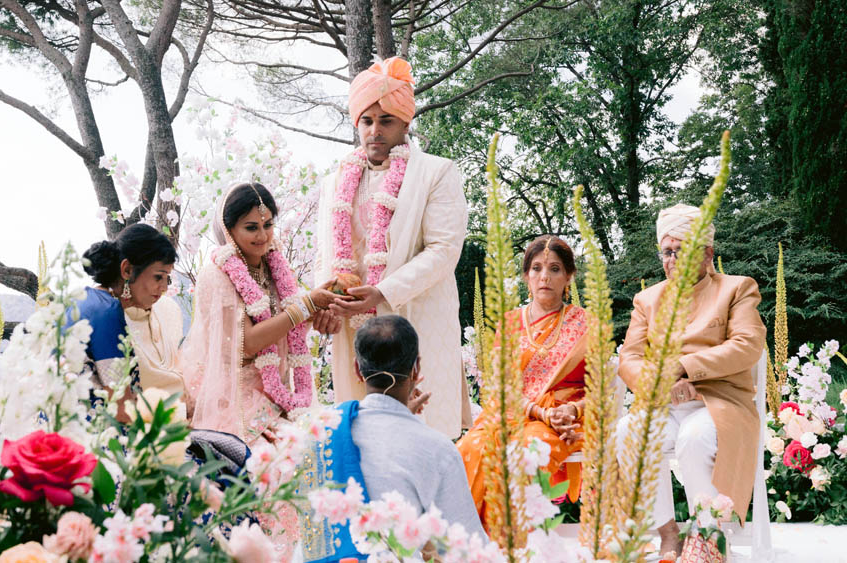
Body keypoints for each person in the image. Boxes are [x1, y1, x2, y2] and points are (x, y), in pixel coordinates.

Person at [315, 56, 470, 438]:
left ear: (405, 123)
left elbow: (443, 250)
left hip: (414, 316)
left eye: (386, 121)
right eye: (366, 121)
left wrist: (382, 291)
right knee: (362, 436)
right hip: (353, 325)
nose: (375, 131)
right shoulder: (335, 182)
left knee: (422, 434)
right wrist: (327, 303)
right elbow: (326, 252)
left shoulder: (436, 172)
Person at [615, 203, 765, 558]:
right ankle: (668, 533)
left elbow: (747, 345)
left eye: (682, 250)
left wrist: (683, 367)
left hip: (719, 402)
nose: (672, 260)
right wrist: (663, 385)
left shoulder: (737, 288)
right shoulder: (647, 299)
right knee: (628, 432)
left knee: (693, 439)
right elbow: (630, 360)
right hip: (664, 403)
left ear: (707, 253)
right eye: (667, 252)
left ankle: (708, 534)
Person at [299, 315, 486, 563]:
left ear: (357, 369)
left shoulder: (317, 431)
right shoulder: (435, 449)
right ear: (416, 368)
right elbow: (470, 552)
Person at [181, 182, 341, 443]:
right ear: (228, 229)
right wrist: (307, 306)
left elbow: (285, 329)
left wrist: (318, 315)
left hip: (280, 390)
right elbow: (249, 343)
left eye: (268, 225)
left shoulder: (274, 264)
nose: (263, 236)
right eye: (251, 227)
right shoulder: (217, 273)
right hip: (238, 400)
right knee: (290, 456)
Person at [456, 235, 589, 528]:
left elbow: (601, 390)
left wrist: (572, 411)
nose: (545, 277)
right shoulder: (510, 323)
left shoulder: (585, 323)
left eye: (555, 269)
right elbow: (501, 388)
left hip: (565, 420)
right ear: (526, 276)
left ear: (569, 276)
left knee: (526, 452)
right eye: (537, 268)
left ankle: (512, 545)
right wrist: (539, 411)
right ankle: (470, 544)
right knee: (470, 448)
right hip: (516, 413)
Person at [76, 224, 185, 410]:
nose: (164, 288)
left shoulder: (88, 300)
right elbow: (121, 409)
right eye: (158, 277)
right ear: (127, 270)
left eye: (167, 278)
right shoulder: (106, 312)